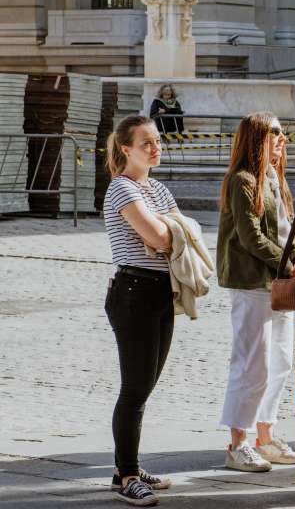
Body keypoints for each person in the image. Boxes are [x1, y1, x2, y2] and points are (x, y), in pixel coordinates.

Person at [217, 113, 295, 473]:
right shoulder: (241, 181)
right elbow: (250, 236)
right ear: (257, 139)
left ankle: (265, 436)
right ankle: (238, 442)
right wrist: (287, 265)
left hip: (280, 283)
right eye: (275, 134)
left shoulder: (276, 180)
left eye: (283, 134)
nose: (282, 139)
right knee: (252, 362)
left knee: (281, 362)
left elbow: (290, 228)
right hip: (252, 282)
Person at [102, 115, 180, 506]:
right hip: (133, 292)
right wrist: (168, 230)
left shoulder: (158, 188)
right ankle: (126, 475)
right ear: (125, 148)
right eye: (146, 142)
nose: (155, 147)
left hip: (162, 291)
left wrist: (169, 230)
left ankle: (127, 464)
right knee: (133, 389)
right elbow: (160, 236)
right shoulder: (121, 189)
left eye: (157, 140)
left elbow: (182, 232)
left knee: (145, 387)